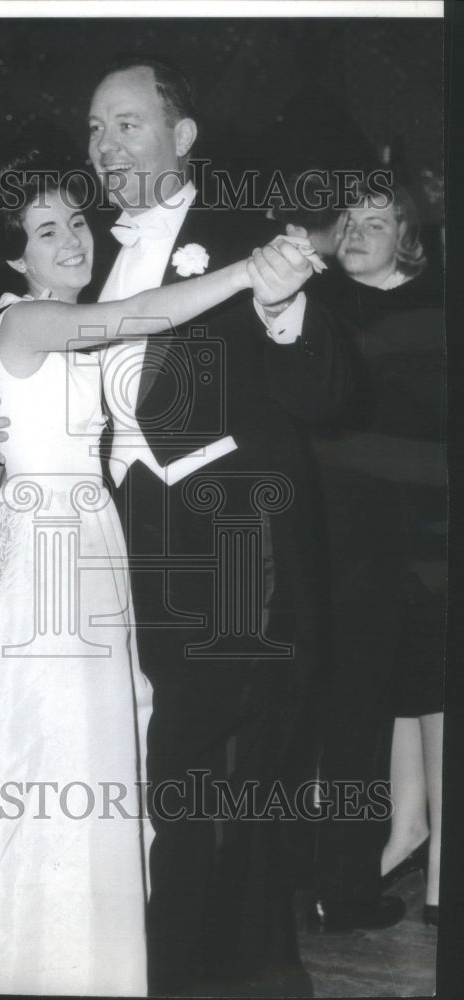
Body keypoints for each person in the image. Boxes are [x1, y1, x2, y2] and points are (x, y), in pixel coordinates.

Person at [0, 149, 322, 995]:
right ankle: (22, 948)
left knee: (87, 745)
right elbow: (139, 315)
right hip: (48, 555)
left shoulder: (57, 317)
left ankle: (71, 939)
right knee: (42, 742)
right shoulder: (29, 319)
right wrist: (249, 268)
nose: (69, 239)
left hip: (93, 535)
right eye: (44, 231)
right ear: (15, 257)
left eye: (74, 221)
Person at [0, 57, 352, 997]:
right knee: (163, 767)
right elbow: (38, 354)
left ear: (183, 138)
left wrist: (280, 306)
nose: (104, 148)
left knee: (225, 767)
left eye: (128, 125)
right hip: (124, 540)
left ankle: (231, 972)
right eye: (95, 129)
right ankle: (179, 961)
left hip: (233, 537)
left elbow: (331, 393)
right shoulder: (84, 247)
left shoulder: (249, 239)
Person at [304, 185, 445, 930]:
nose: (357, 231)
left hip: (426, 541)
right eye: (348, 220)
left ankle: (435, 874)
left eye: (376, 221)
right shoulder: (318, 305)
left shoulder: (435, 308)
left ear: (406, 235)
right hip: (342, 544)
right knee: (359, 711)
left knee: (434, 696)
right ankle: (370, 858)